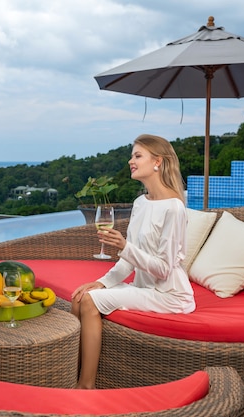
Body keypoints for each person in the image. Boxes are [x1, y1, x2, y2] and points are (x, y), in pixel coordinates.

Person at [71, 133, 195, 389]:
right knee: (81, 295)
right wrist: (101, 283)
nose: (131, 161)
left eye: (137, 155)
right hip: (144, 289)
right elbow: (128, 262)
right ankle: (75, 376)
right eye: (132, 156)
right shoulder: (140, 203)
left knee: (91, 301)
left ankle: (86, 386)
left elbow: (162, 269)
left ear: (158, 162)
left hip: (169, 295)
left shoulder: (174, 208)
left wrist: (125, 246)